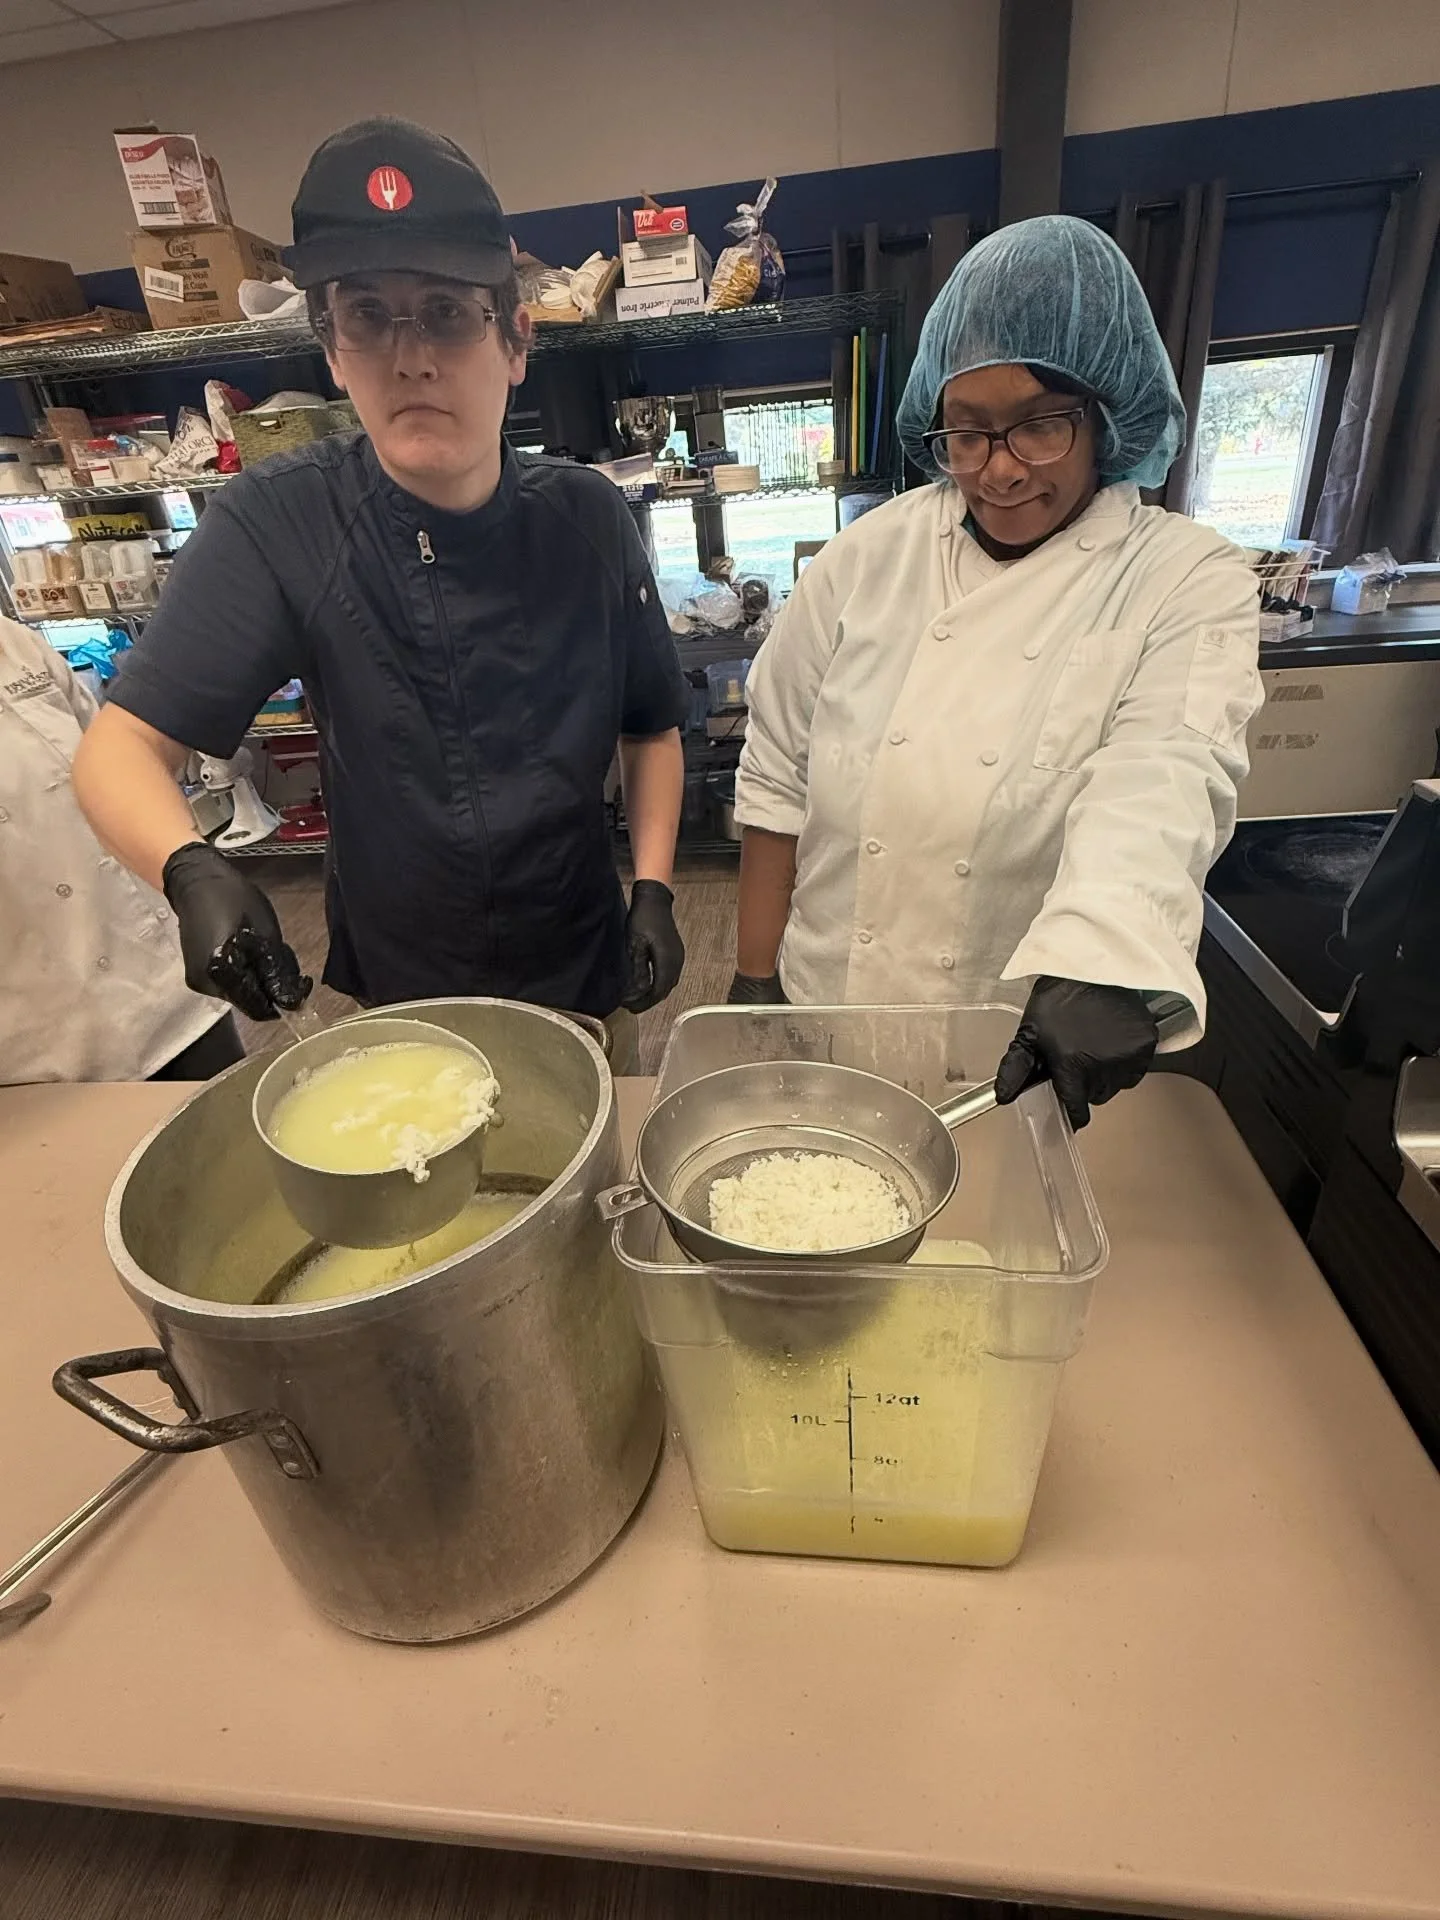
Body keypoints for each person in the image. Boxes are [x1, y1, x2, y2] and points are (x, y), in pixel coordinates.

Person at [73, 118, 687, 1067]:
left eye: (446, 312)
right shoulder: (279, 522)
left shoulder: (588, 518)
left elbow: (650, 727)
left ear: (516, 341)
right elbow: (118, 749)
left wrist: (652, 889)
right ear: (330, 348)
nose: (410, 359)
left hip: (580, 970)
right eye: (367, 316)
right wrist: (189, 869)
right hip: (401, 997)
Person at [730, 215, 1263, 1128]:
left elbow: (1164, 776)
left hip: (1014, 1053)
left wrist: (1103, 960)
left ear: (1104, 414)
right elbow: (777, 775)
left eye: (1039, 426)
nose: (1001, 471)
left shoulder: (1183, 576)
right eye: (969, 433)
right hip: (828, 1014)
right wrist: (754, 984)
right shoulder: (867, 557)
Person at [0, 617, 242, 1083]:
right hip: (39, 1051)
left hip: (168, 986)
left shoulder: (16, 644)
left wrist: (193, 872)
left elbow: (112, 769)